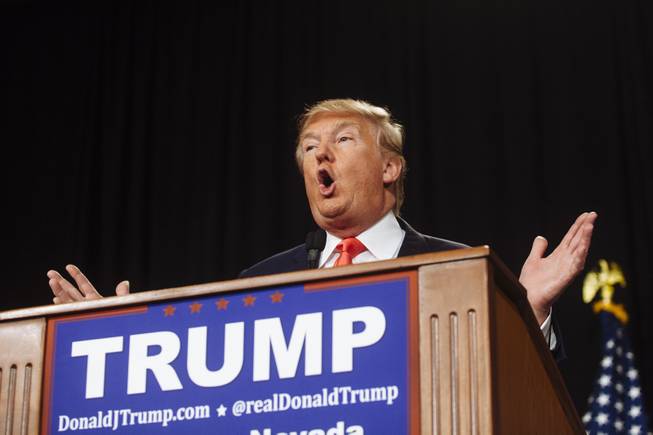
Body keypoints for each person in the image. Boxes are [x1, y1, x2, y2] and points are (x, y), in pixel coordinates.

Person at [47, 99, 597, 342]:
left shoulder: (458, 266)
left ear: (390, 167)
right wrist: (112, 340)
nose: (319, 156)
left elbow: (511, 387)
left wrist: (529, 315)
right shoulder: (258, 283)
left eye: (341, 141)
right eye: (309, 147)